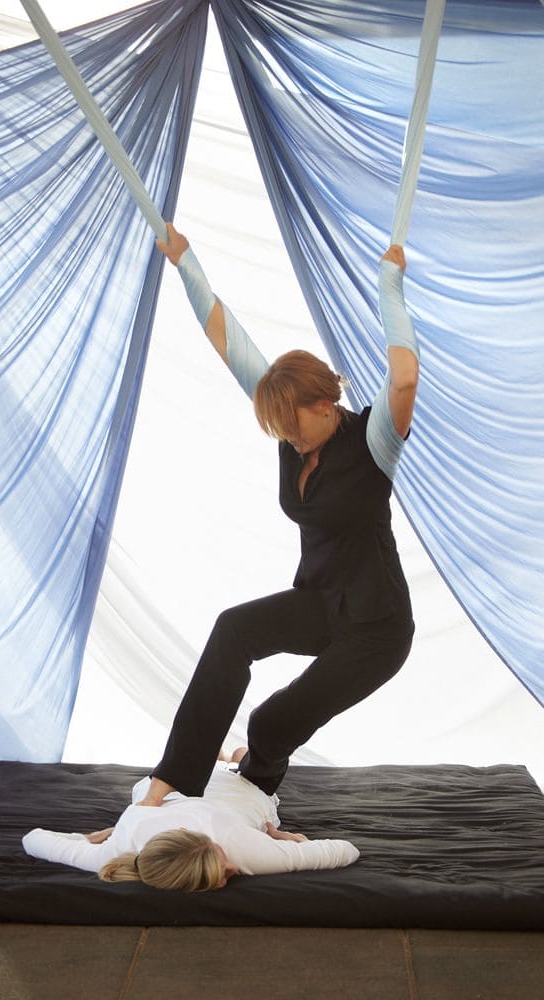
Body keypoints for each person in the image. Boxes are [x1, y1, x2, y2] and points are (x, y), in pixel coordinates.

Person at [135, 223, 419, 807]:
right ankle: (173, 779)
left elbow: (406, 377)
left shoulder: (375, 439)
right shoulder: (290, 427)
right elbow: (227, 340)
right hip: (320, 600)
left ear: (326, 403)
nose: (287, 437)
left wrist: (389, 285)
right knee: (232, 629)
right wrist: (186, 261)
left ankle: (255, 795)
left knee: (270, 724)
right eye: (278, 428)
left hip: (377, 627)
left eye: (294, 425)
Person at [22, 751, 359, 892]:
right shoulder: (117, 850)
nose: (233, 869)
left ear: (185, 832)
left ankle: (225, 758)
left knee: (238, 760)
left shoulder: (242, 847)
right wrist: (86, 839)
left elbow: (345, 850)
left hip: (238, 788)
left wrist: (295, 845)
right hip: (173, 784)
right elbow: (33, 839)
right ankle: (224, 757)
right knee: (237, 756)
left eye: (222, 866)